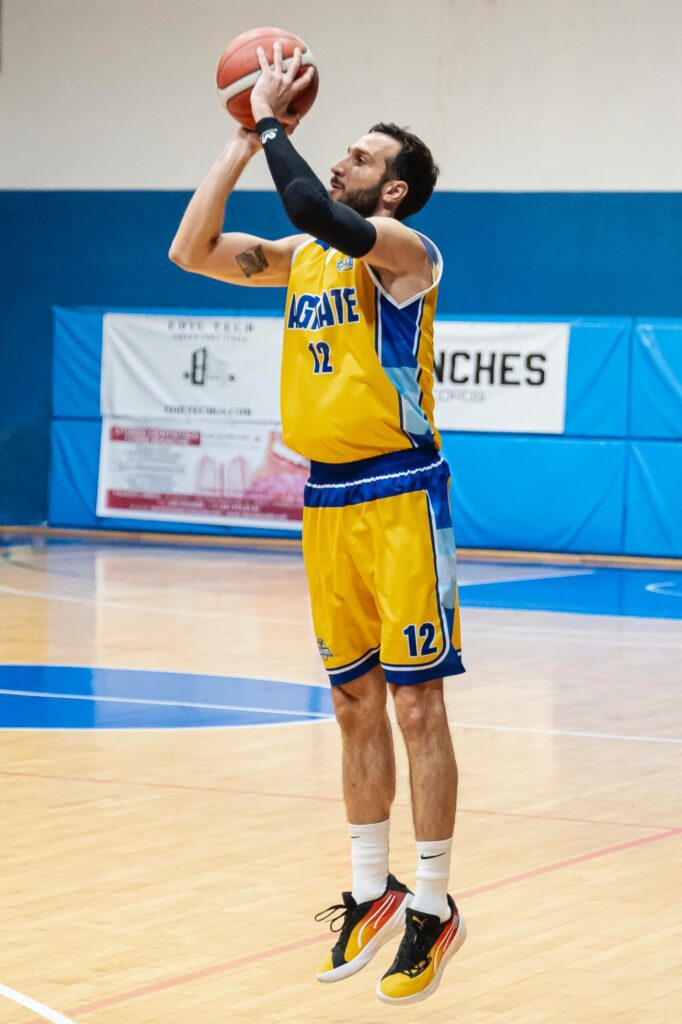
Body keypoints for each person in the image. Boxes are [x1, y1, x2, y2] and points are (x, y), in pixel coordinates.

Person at [170, 42, 466, 1006]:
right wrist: (239, 141)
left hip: (401, 491)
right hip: (327, 498)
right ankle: (371, 889)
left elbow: (313, 208)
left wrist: (269, 122)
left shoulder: (405, 254)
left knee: (417, 705)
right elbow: (190, 251)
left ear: (395, 190)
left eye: (362, 157)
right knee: (352, 703)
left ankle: (434, 906)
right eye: (341, 150)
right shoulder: (303, 261)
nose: (341, 160)